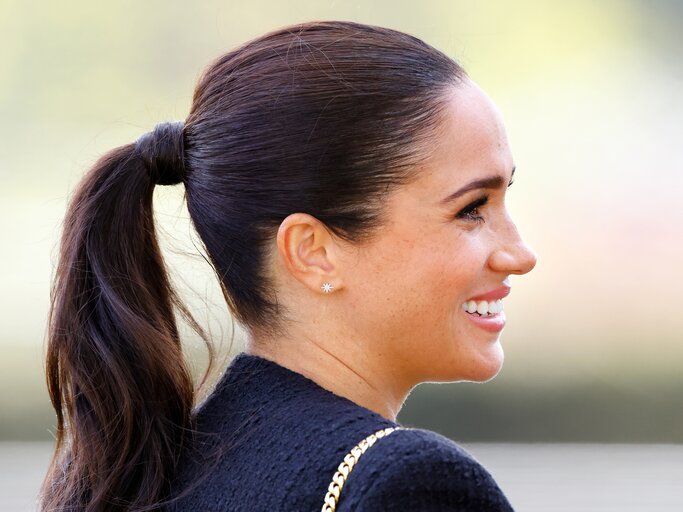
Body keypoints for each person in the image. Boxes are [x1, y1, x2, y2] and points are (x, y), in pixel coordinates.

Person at [40, 20, 537, 511]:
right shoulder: (408, 484)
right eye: (471, 209)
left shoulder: (153, 477)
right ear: (313, 252)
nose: (519, 255)